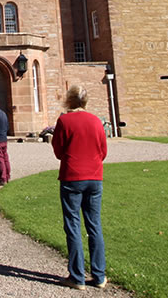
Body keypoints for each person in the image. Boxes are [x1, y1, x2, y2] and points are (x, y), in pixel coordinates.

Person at [51, 85, 108, 290]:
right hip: (95, 177)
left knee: (73, 225)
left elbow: (58, 150)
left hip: (72, 177)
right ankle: (99, 276)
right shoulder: (95, 120)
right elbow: (103, 150)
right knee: (94, 225)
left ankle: (77, 277)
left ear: (70, 100)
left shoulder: (64, 120)